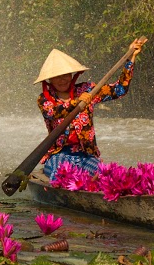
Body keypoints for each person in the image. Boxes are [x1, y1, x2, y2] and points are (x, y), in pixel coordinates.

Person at [35, 38, 145, 180]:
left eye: (66, 75)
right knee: (59, 176)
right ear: (49, 80)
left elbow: (119, 90)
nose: (63, 80)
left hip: (85, 155)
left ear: (72, 75)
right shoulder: (44, 99)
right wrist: (77, 103)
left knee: (108, 176)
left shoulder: (87, 90)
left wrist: (131, 58)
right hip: (59, 155)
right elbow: (53, 113)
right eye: (58, 77)